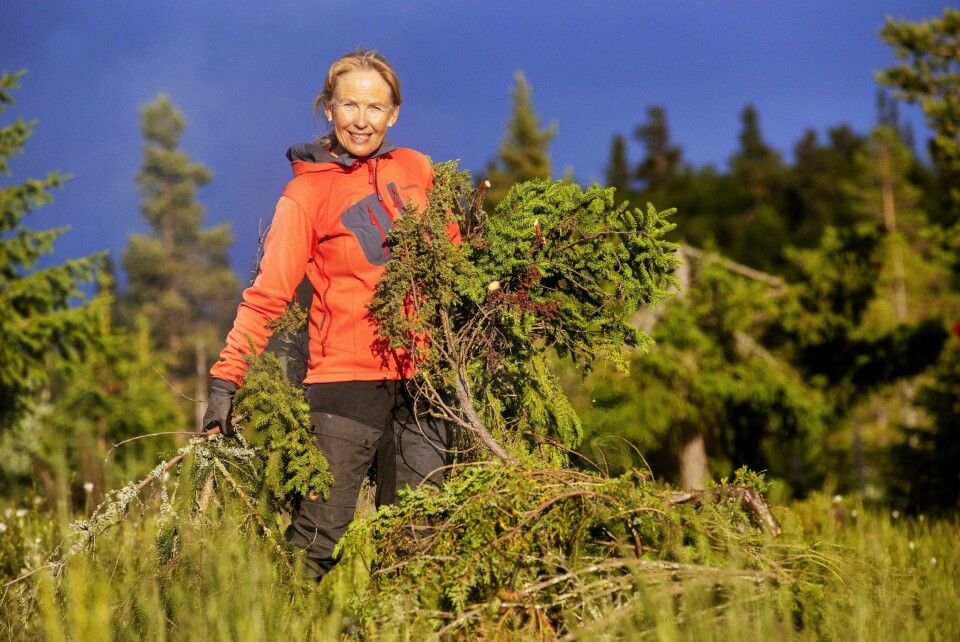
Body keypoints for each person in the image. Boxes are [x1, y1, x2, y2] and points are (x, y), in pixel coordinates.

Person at [201, 49, 457, 581]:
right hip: (345, 386)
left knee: (418, 546)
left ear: (394, 114)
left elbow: (454, 256)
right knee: (315, 546)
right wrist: (227, 380)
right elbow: (268, 293)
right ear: (328, 108)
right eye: (349, 105)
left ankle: (393, 623)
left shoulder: (417, 169)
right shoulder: (306, 193)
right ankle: (277, 620)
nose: (361, 120)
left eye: (375, 107)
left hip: (425, 386)